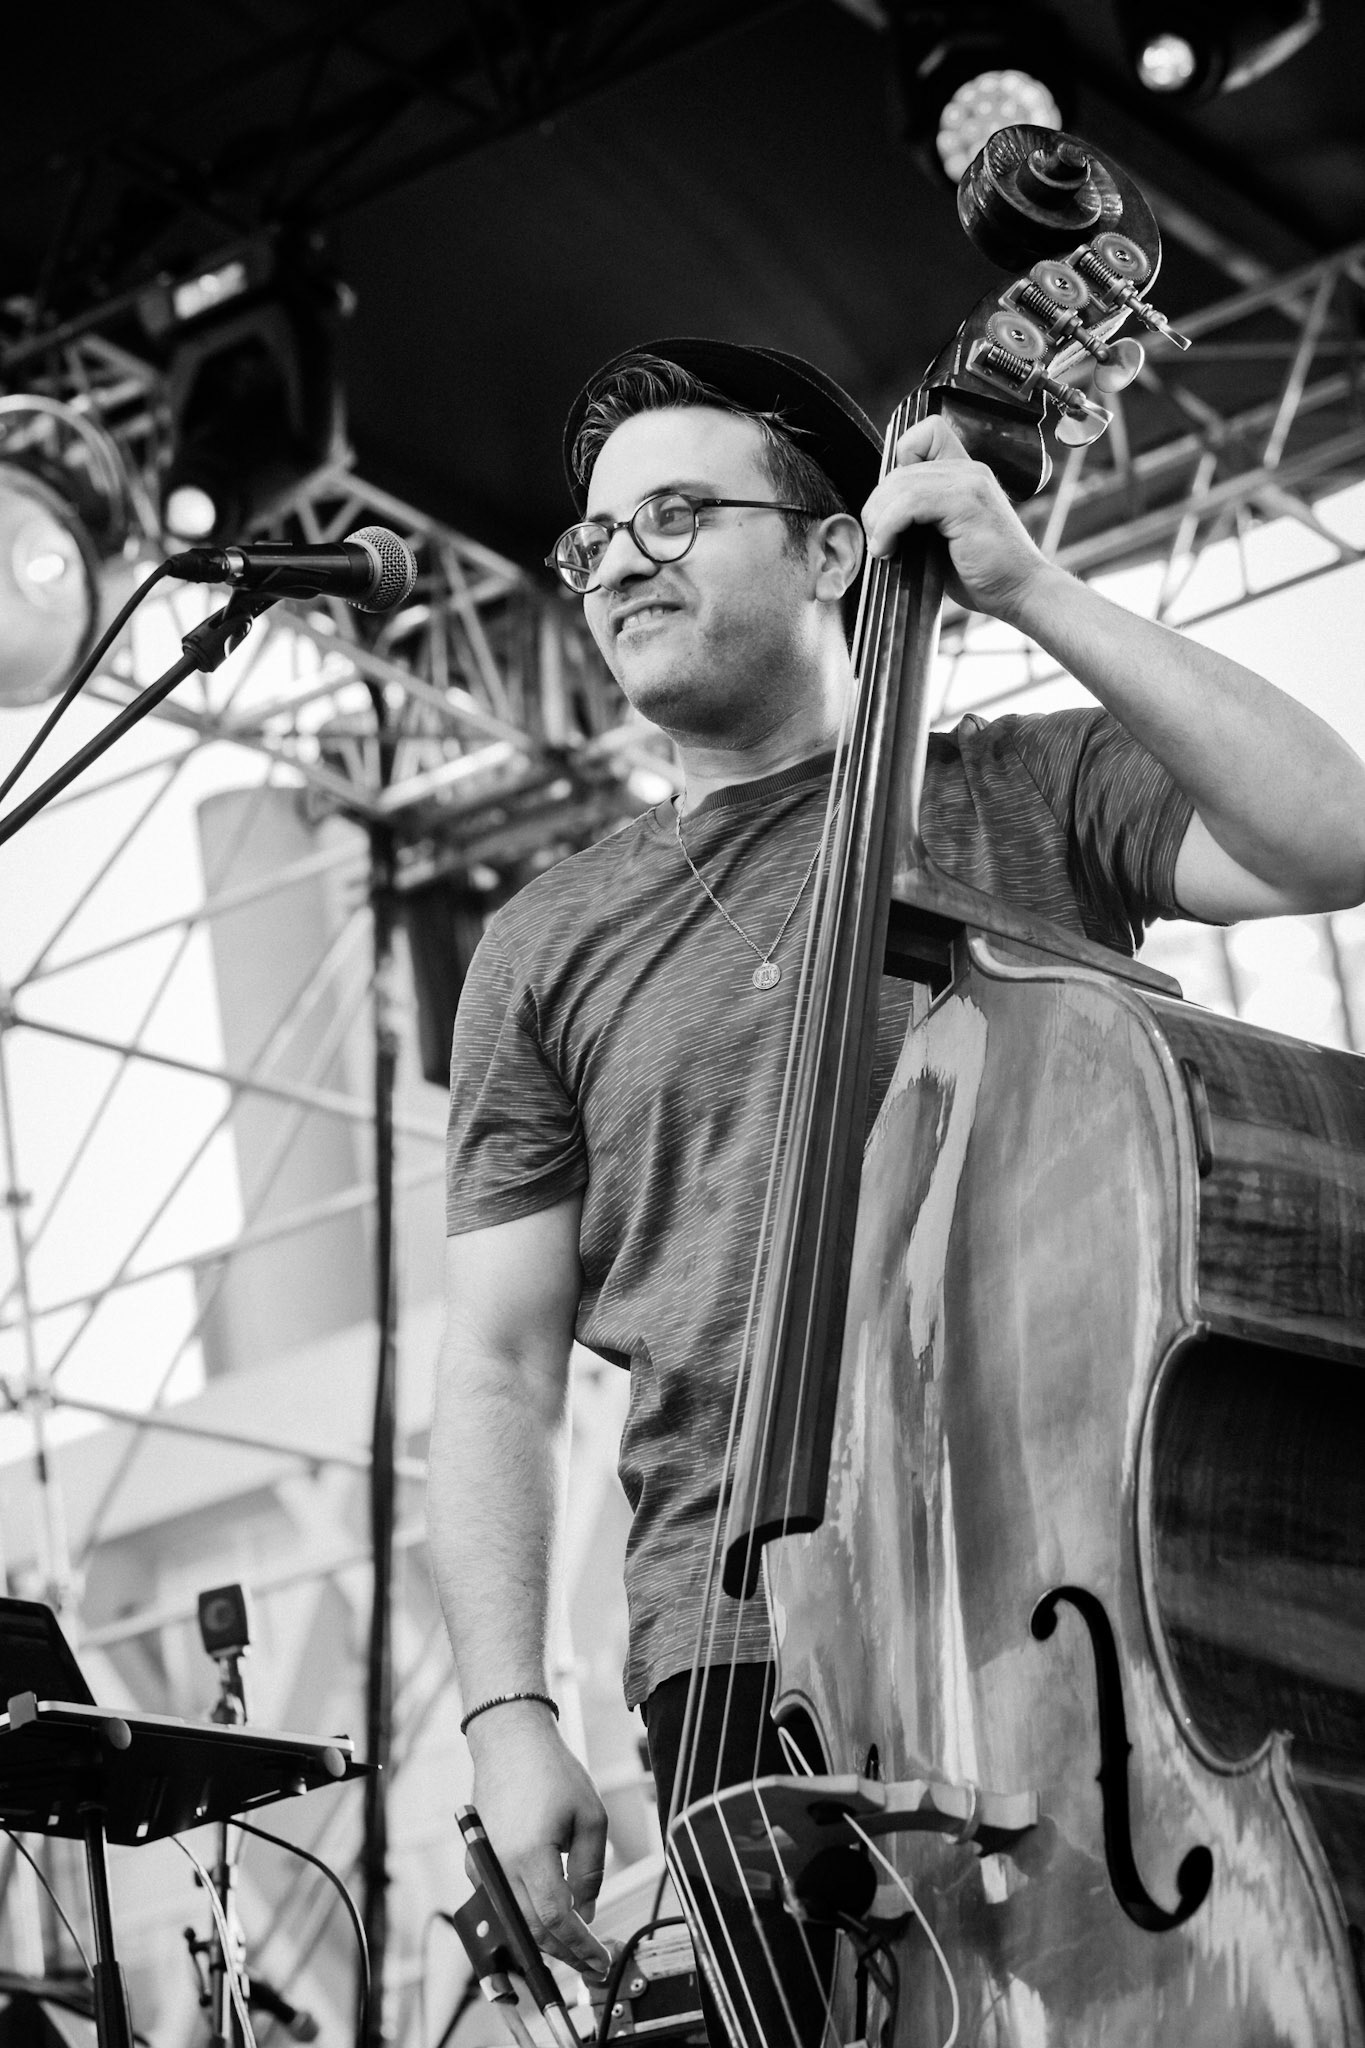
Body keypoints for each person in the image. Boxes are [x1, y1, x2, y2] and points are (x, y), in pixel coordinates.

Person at [428, 339, 1365, 2009]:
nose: (620, 561)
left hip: (1054, 1593)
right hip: (731, 1654)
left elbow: (1334, 832)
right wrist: (508, 1714)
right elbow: (496, 1363)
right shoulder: (539, 946)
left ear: (830, 550)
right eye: (594, 540)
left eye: (676, 514)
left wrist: (1029, 586)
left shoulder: (1023, 792)